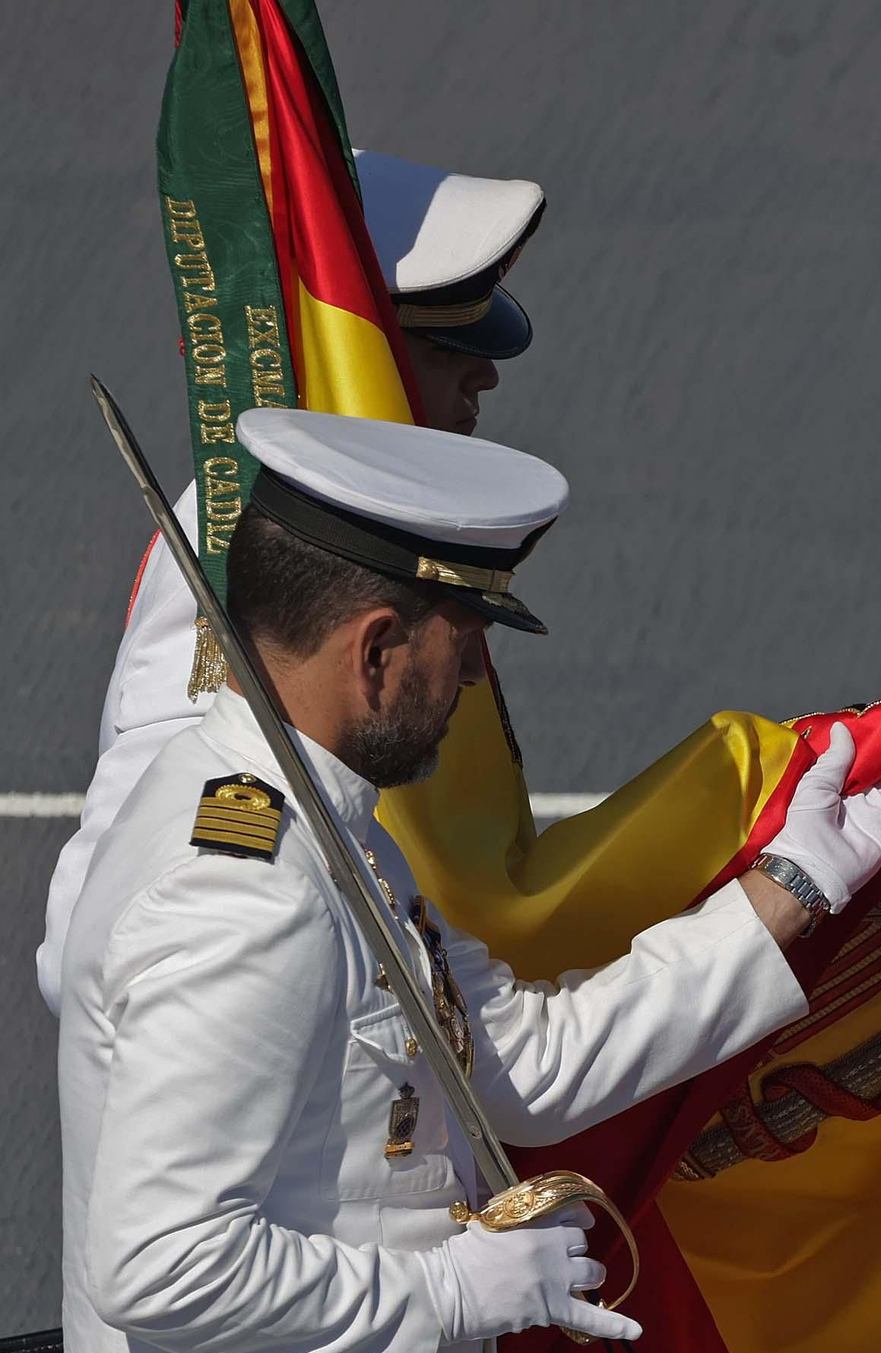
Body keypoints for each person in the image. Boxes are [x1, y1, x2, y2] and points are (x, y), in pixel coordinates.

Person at [39, 407, 881, 1353]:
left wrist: (790, 894)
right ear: (375, 646)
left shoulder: (317, 823)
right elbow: (162, 1261)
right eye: (461, 653)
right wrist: (452, 1295)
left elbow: (518, 1060)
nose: (468, 694)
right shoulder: (252, 889)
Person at [36, 149, 547, 1015]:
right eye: (441, 341)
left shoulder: (368, 518)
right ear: (348, 351)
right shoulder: (249, 524)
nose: (485, 371)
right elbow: (124, 903)